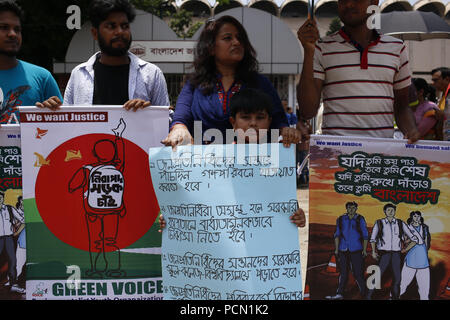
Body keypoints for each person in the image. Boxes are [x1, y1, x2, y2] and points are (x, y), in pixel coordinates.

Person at [159, 88, 306, 229]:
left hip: (260, 245)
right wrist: (175, 217)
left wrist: (297, 216)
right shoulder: (213, 161)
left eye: (260, 117)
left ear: (269, 122)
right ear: (233, 122)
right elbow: (199, 201)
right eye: (245, 117)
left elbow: (283, 202)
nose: (253, 123)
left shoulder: (278, 160)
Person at [162, 15, 300, 148]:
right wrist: (179, 129)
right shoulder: (194, 83)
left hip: (251, 166)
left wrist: (286, 131)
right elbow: (181, 117)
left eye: (240, 38)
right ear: (210, 48)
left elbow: (278, 121)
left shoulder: (260, 83)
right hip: (204, 166)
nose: (237, 42)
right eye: (227, 38)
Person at [296, 0, 420, 143]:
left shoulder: (397, 48)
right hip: (335, 153)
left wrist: (411, 130)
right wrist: (309, 51)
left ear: (374, 2)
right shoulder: (321, 48)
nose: (348, 5)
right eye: (342, 0)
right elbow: (307, 111)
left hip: (381, 155)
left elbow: (402, 107)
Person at [40, 0, 169, 111]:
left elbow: (167, 122)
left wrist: (149, 114)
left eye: (125, 26)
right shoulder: (79, 75)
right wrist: (51, 113)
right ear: (95, 33)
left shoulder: (152, 74)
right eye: (111, 26)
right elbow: (69, 124)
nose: (120, 32)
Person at [68, 119, 127, 278]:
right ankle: (114, 269)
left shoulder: (86, 170)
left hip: (92, 211)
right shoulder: (117, 167)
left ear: (94, 153)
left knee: (95, 241)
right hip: (113, 211)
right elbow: (121, 157)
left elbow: (71, 186)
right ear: (113, 154)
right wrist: (118, 137)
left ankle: (97, 270)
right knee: (110, 241)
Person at [0, 0, 62, 124]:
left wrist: (51, 113)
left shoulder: (43, 77)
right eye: (4, 28)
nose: (12, 34)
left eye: (17, 29)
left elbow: (65, 130)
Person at [368, 203, 418, 300]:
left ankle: (394, 297)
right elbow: (373, 239)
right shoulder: (379, 223)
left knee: (397, 278)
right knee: (377, 275)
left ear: (395, 211)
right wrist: (374, 252)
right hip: (384, 254)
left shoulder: (400, 223)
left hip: (396, 255)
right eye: (388, 210)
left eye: (392, 210)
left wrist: (405, 249)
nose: (391, 212)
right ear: (385, 211)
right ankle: (368, 296)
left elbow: (414, 239)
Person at [325, 202, 368, 300]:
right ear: (346, 208)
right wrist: (336, 249)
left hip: (356, 249)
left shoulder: (360, 219)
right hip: (343, 249)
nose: (351, 209)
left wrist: (364, 250)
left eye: (353, 208)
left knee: (357, 273)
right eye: (349, 208)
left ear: (356, 208)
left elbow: (365, 235)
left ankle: (364, 294)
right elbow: (337, 235)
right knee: (343, 273)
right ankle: (339, 294)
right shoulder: (340, 219)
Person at [400, 211, 431, 300]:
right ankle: (393, 296)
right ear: (411, 217)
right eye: (415, 216)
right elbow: (403, 241)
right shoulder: (407, 228)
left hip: (423, 259)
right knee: (403, 283)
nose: (417, 218)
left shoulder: (424, 228)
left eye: (418, 216)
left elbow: (427, 242)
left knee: (424, 286)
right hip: (411, 258)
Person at [0, 191, 24, 293]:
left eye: (1, 198)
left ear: (3, 199)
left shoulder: (9, 208)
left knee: (12, 260)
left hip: (9, 238)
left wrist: (16, 233)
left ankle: (14, 284)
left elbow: (23, 219)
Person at [430, 67, 450, 141]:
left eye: (436, 80)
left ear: (447, 79)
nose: (433, 83)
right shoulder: (443, 96)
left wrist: (442, 115)